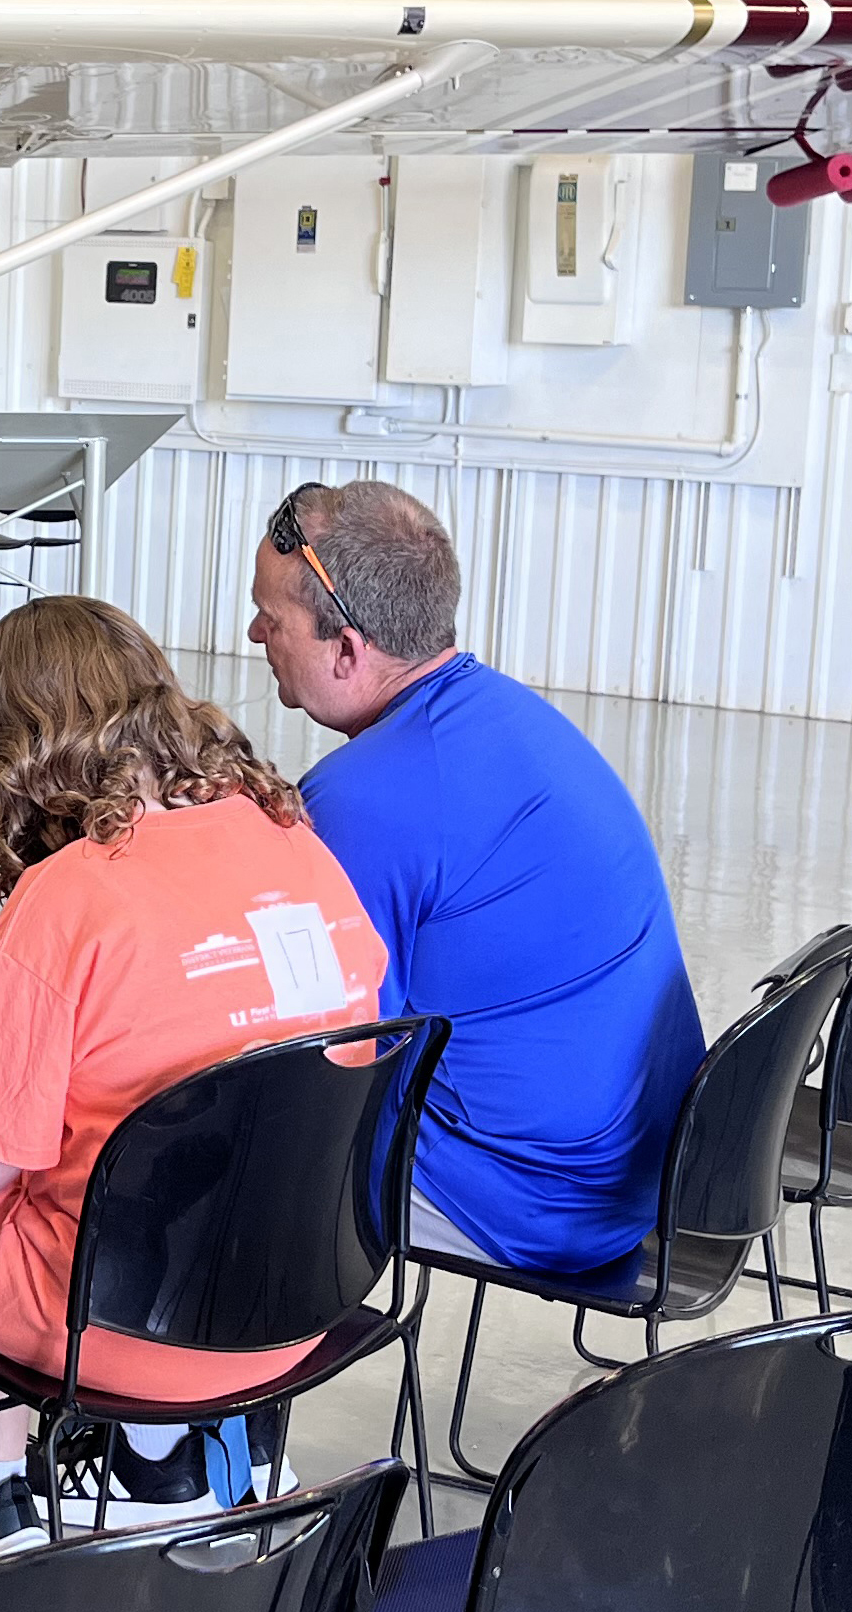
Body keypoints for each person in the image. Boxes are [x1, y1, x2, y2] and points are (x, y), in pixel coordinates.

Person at [0, 594, 387, 1573]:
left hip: (130, 1332)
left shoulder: (65, 900)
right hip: (303, 1303)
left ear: (8, 755)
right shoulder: (291, 836)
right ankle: (163, 1461)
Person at [245, 478, 703, 1279]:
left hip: (533, 1197)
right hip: (646, 1159)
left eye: (271, 618)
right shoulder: (510, 715)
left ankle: (201, 1397)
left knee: (203, 1172)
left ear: (348, 650)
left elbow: (328, 1060)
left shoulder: (364, 802)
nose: (254, 632)